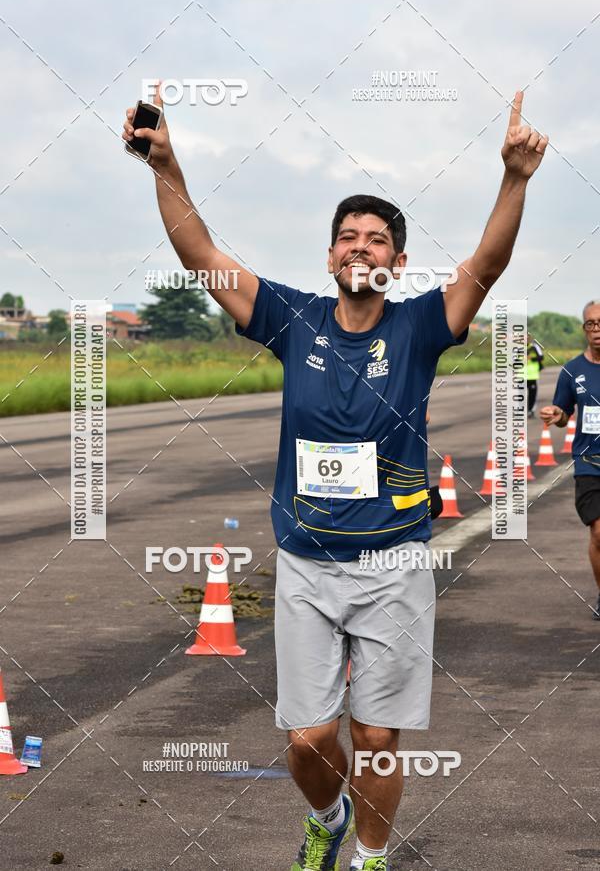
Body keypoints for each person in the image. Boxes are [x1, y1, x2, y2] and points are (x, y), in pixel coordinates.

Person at [123, 90, 547, 871]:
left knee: (379, 737)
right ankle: (328, 814)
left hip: (394, 564)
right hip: (308, 563)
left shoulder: (419, 326)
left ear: (395, 260)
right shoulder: (294, 318)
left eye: (377, 239)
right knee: (310, 738)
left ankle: (370, 858)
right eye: (347, 237)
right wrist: (167, 165)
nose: (361, 247)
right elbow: (201, 254)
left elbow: (485, 265)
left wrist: (515, 178)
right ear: (329, 258)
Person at [540, 299, 600, 621]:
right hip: (589, 461)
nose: (597, 330)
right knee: (599, 532)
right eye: (591, 324)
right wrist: (556, 414)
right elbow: (563, 414)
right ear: (584, 329)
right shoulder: (572, 370)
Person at [526, 332, 544, 417]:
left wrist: (531, 358)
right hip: (520, 376)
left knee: (532, 395)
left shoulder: (534, 347)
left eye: (527, 337)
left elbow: (541, 357)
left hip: (532, 375)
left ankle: (531, 411)